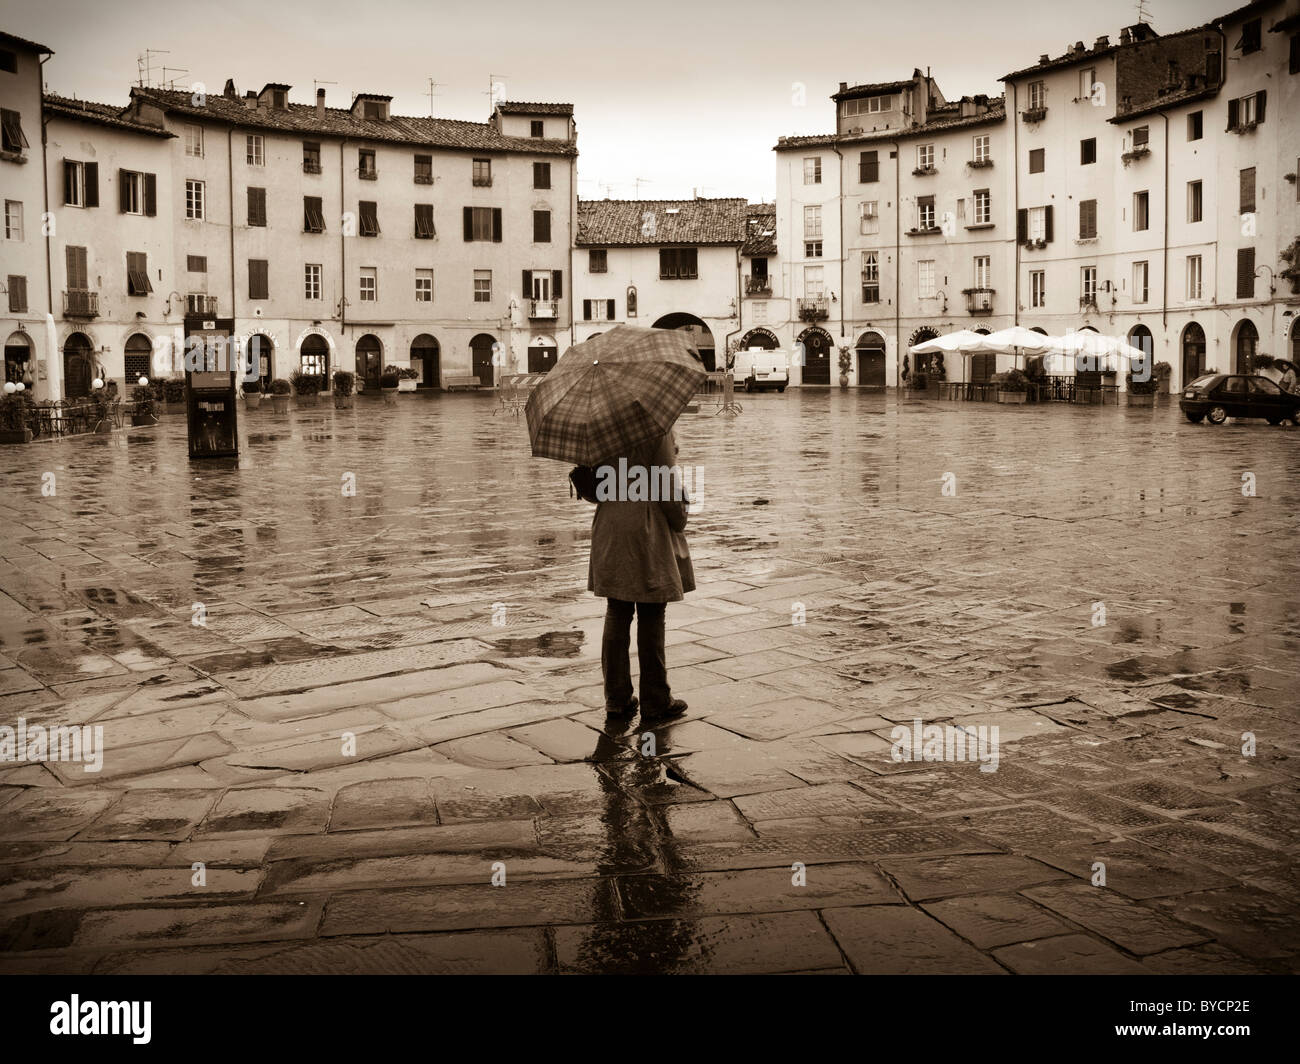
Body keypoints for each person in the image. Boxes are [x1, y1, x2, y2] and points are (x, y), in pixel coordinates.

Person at [589, 429, 693, 721]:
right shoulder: (654, 427)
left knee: (617, 610)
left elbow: (592, 485)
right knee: (651, 609)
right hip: (645, 526)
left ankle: (617, 698)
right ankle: (656, 699)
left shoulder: (599, 422)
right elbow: (666, 484)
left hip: (609, 522)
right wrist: (680, 515)